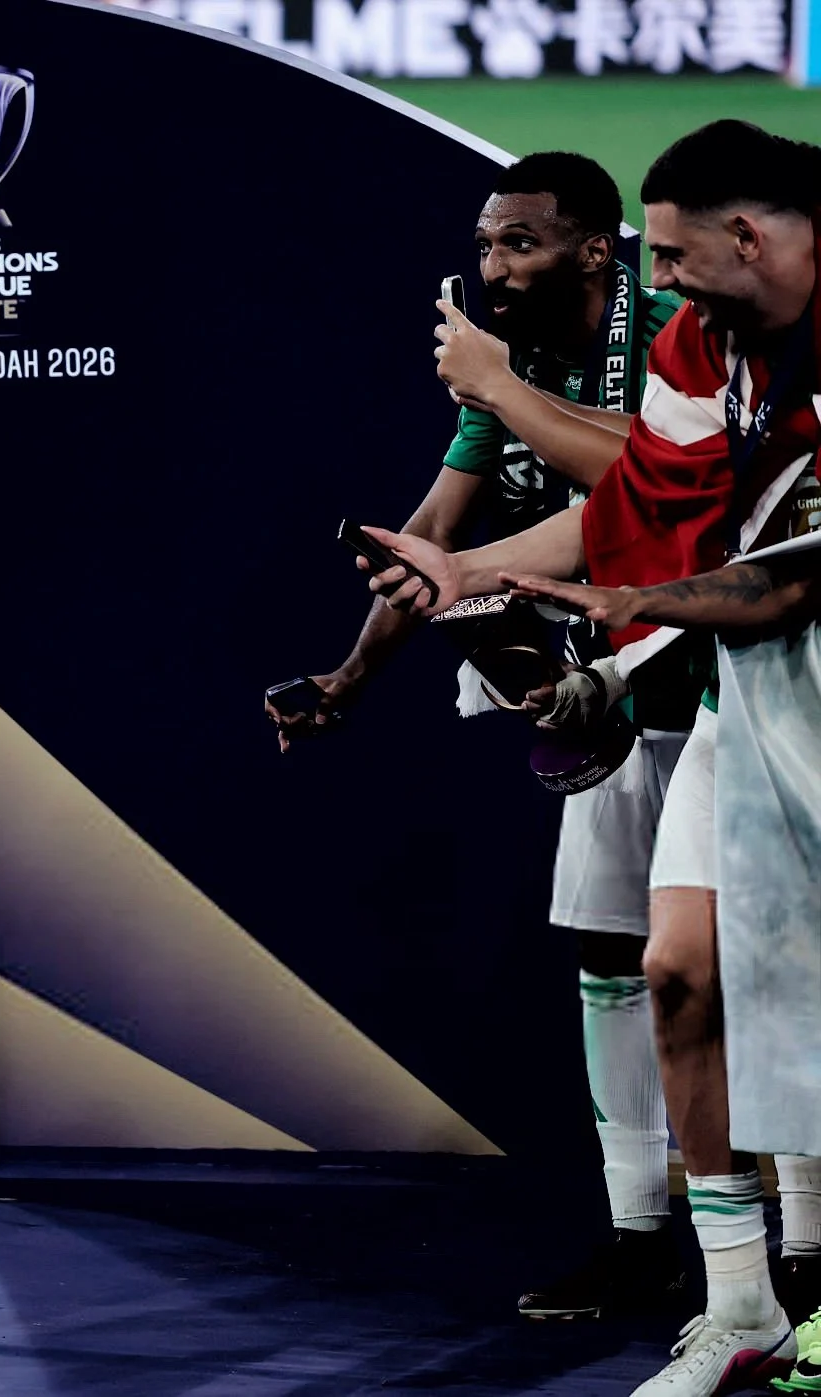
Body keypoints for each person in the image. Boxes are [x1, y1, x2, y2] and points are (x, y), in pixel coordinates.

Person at [359, 119, 821, 1397]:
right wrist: (469, 567)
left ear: (747, 234)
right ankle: (741, 1306)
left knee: (799, 990)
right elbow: (646, 504)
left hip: (800, 662)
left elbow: (780, 584)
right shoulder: (691, 344)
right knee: (677, 969)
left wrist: (623, 615)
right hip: (747, 693)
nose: (654, 285)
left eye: (668, 259)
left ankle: (816, 1269)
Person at [267, 152, 693, 1321]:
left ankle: (780, 1249)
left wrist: (502, 388)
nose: (492, 265)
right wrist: (350, 675)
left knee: (728, 968)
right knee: (610, 959)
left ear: (595, 248)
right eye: (485, 243)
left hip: (718, 684)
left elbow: (660, 489)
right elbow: (433, 538)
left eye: (520, 242)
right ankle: (635, 1234)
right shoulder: (501, 374)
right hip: (596, 695)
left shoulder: (674, 335)